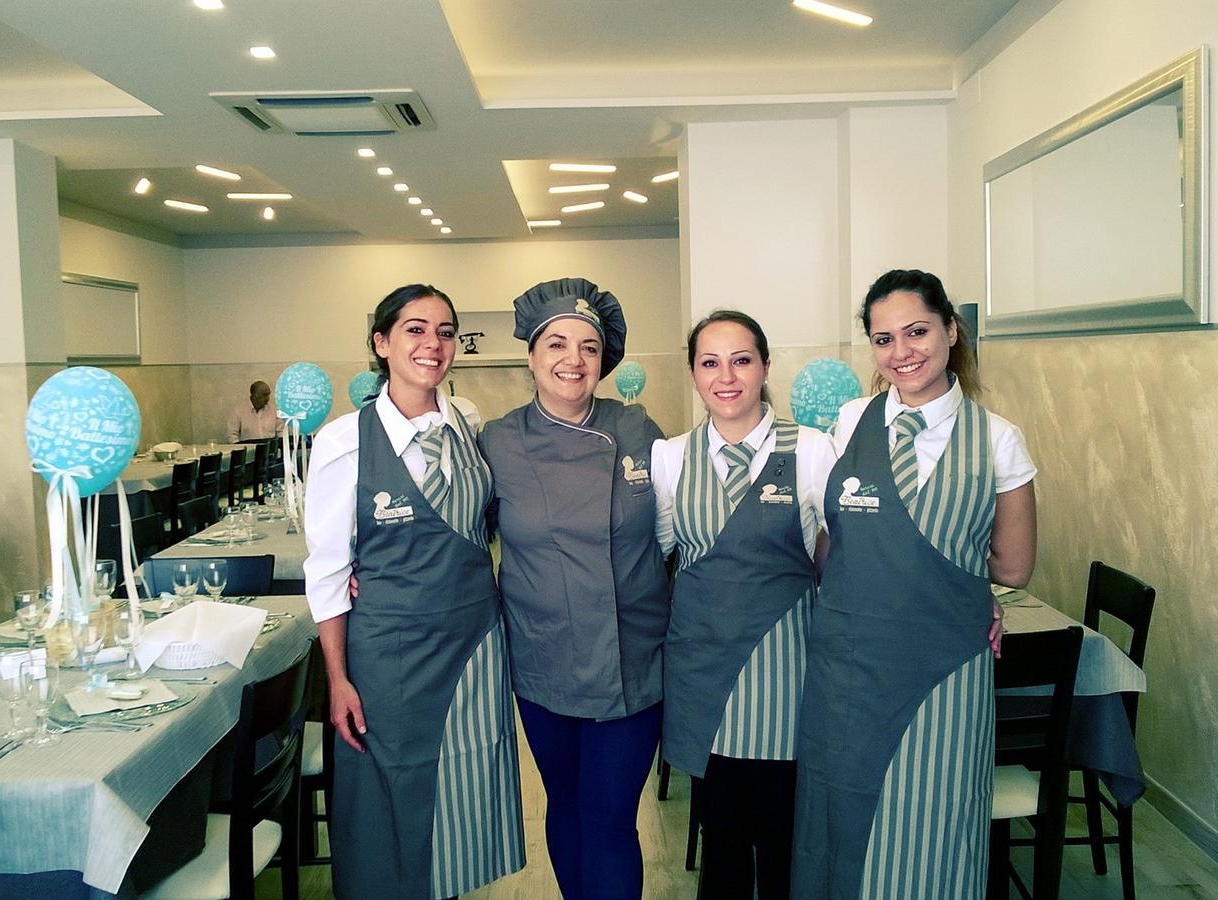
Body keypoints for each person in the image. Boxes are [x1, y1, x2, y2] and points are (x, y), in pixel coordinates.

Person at [792, 269, 1037, 899]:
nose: (901, 352)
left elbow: (1012, 568)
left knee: (937, 820)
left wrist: (965, 592)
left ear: (951, 330)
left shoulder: (998, 440)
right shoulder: (850, 421)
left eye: (917, 331)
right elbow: (832, 538)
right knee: (843, 816)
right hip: (847, 665)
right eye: (883, 339)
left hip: (944, 670)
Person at [303, 284, 525, 899]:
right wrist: (337, 678)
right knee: (387, 804)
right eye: (415, 330)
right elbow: (328, 570)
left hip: (474, 645)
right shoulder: (344, 442)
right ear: (382, 343)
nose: (433, 344)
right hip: (390, 655)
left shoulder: (468, 424)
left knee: (462, 794)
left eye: (445, 332)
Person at [478, 277, 667, 900]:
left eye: (589, 346)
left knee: (610, 819)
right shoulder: (498, 441)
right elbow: (461, 535)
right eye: (556, 343)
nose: (573, 359)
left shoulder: (638, 430)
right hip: (544, 659)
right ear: (531, 357)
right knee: (565, 805)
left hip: (630, 659)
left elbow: (683, 528)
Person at [651, 310, 835, 900]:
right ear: (693, 374)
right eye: (710, 363)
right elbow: (654, 560)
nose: (725, 377)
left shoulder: (812, 451)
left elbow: (848, 563)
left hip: (785, 674)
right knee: (722, 844)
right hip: (701, 674)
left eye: (741, 360)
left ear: (765, 367)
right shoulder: (668, 458)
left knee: (783, 840)